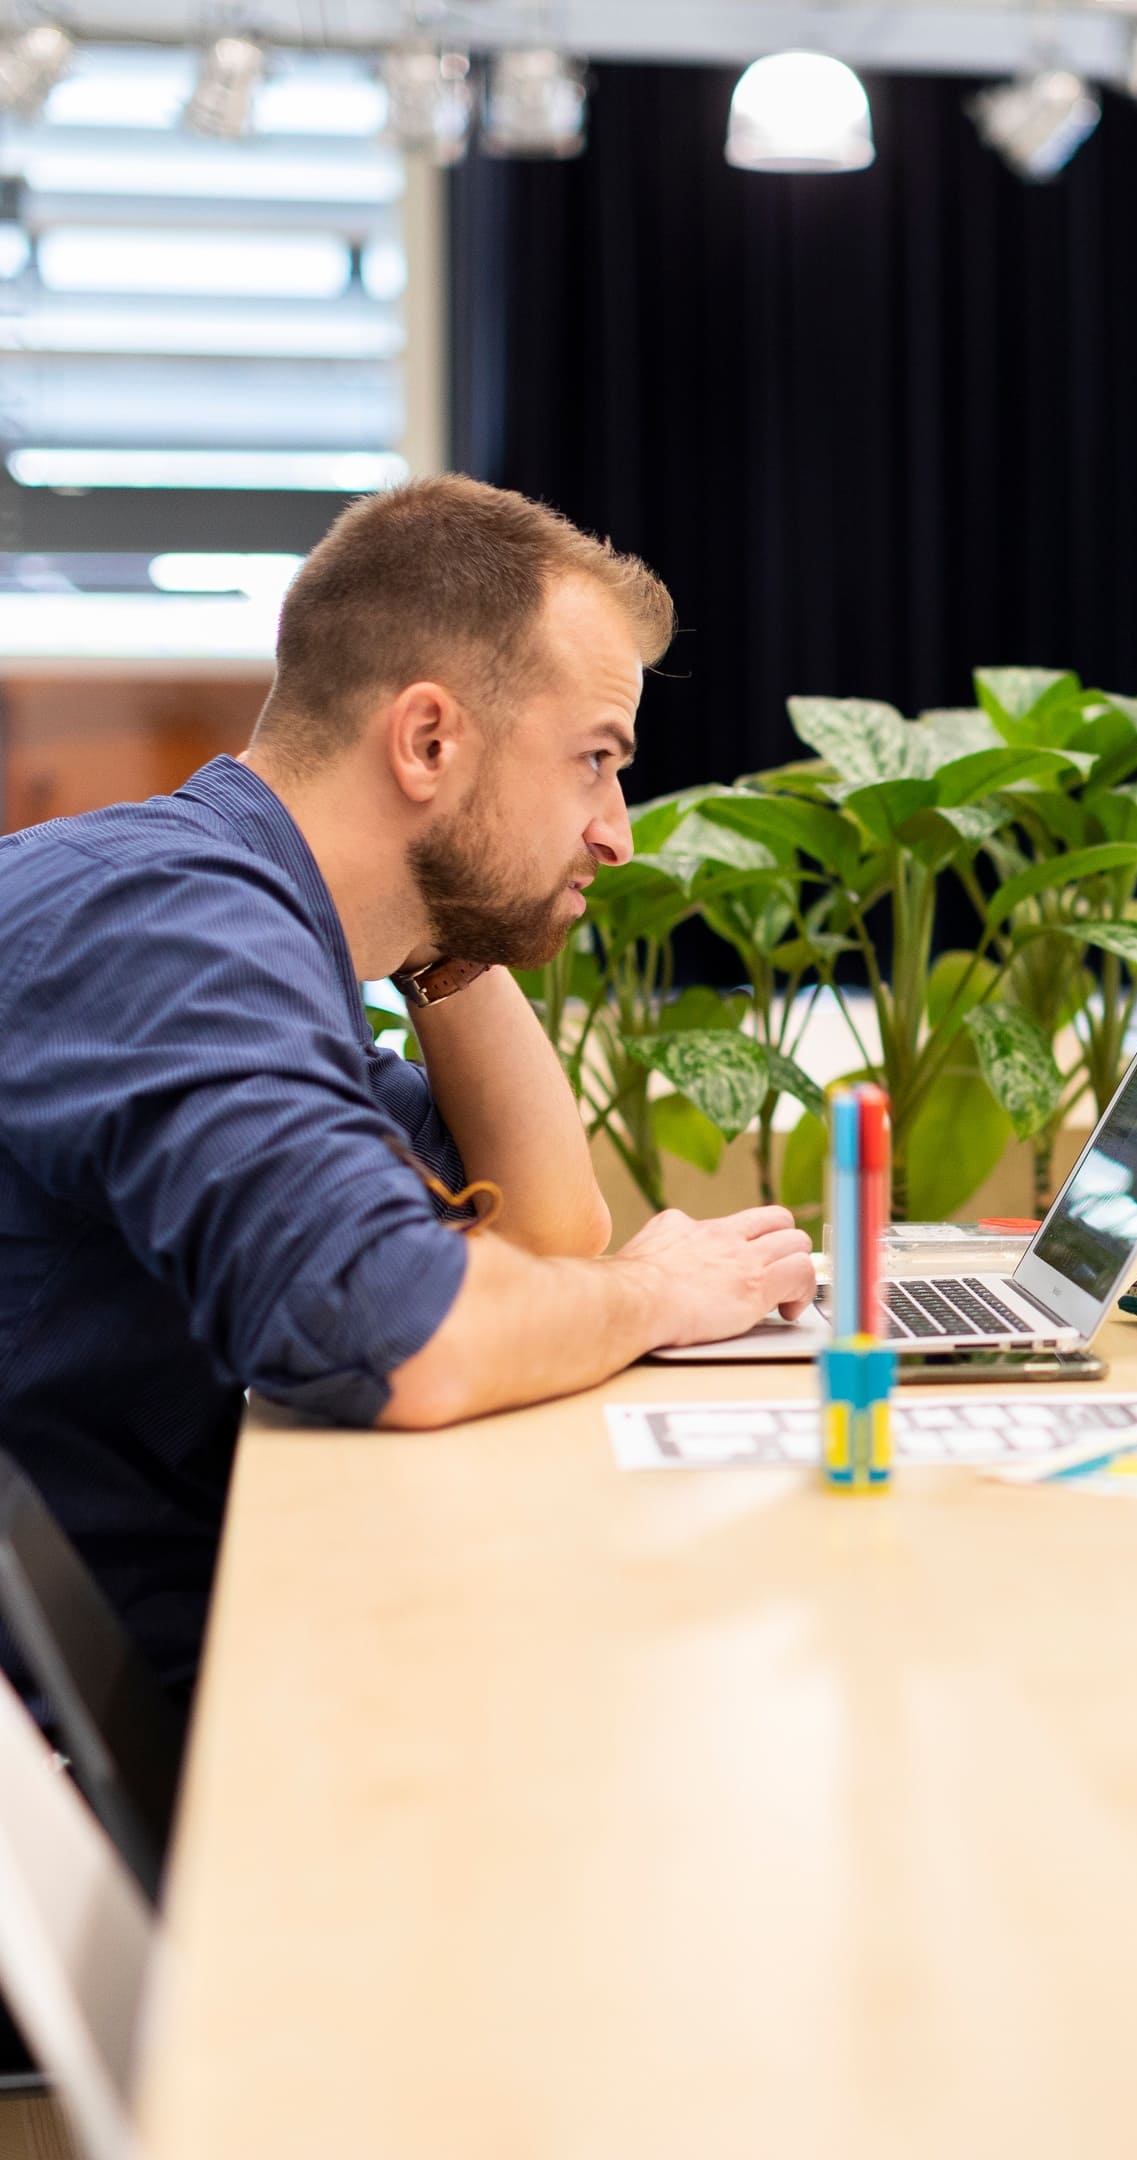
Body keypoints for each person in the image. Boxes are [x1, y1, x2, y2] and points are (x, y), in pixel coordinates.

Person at [0, 477, 816, 1696]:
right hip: (116, 1755)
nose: (617, 833)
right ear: (429, 741)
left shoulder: (255, 925)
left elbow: (544, 1233)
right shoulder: (171, 930)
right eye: (594, 762)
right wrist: (655, 1294)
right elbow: (409, 1332)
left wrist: (448, 921)